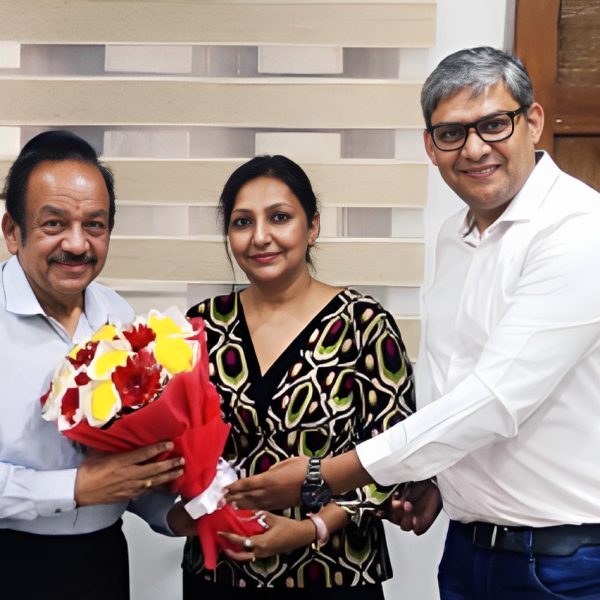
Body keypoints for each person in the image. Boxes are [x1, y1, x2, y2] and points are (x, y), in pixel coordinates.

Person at [224, 47, 600, 599]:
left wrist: (324, 474)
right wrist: (435, 477)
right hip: (468, 547)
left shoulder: (577, 230)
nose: (474, 148)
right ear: (430, 145)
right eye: (452, 133)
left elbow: (496, 400)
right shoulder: (455, 235)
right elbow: (453, 383)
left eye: (494, 124)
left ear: (534, 121)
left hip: (561, 559)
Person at [182, 155, 429, 599]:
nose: (260, 236)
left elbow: (393, 454)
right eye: (242, 222)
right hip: (222, 569)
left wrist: (311, 527)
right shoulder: (202, 325)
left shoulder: (362, 323)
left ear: (312, 227)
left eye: (279, 217)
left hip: (335, 571)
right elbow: (181, 446)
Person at [0, 130, 191, 600]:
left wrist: (176, 514)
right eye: (53, 224)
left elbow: (120, 467)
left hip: (101, 560)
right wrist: (76, 488)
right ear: (12, 231)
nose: (77, 243)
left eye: (95, 225)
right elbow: (94, 482)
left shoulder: (118, 315)